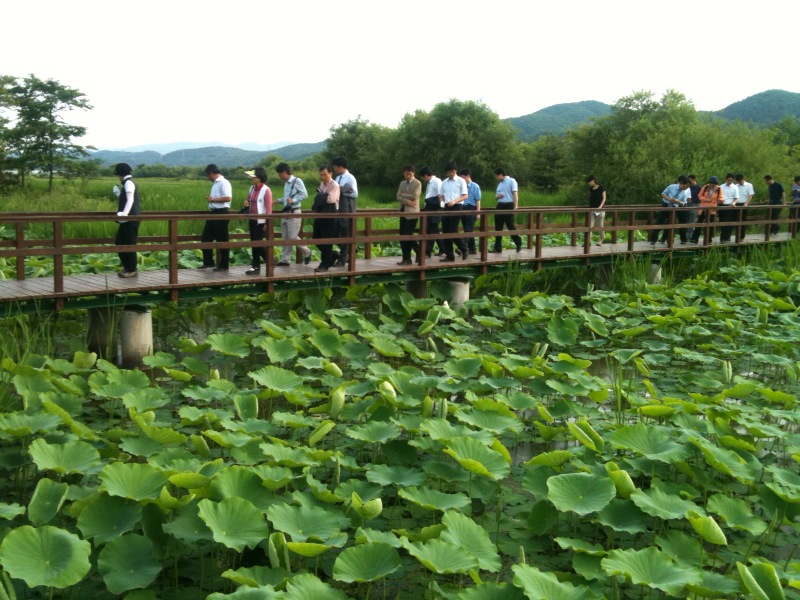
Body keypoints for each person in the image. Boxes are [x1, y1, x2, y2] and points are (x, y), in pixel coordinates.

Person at [274, 162, 311, 266]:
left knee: (292, 236)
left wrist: (294, 200)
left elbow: (305, 194)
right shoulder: (286, 183)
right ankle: (285, 260)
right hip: (285, 212)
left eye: (280, 174)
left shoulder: (297, 181)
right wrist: (278, 200)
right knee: (285, 236)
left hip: (294, 212)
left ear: (285, 172)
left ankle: (307, 251)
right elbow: (287, 199)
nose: (279, 176)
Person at [200, 164, 232, 271]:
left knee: (222, 239)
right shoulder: (216, 183)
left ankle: (224, 265)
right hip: (213, 212)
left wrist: (213, 200)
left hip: (221, 212)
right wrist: (212, 200)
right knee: (206, 237)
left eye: (208, 175)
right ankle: (208, 262)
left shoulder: (224, 182)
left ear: (212, 173)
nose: (208, 178)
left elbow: (228, 198)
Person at [113, 163, 141, 278]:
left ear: (120, 174)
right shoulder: (127, 183)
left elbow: (130, 200)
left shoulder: (129, 183)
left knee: (129, 243)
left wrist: (124, 215)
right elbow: (126, 199)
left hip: (130, 218)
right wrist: (118, 193)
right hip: (128, 218)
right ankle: (127, 267)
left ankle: (132, 269)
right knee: (120, 241)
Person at [242, 167, 272, 275]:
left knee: (257, 243)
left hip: (261, 221)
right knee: (254, 242)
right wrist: (246, 204)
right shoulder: (251, 188)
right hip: (252, 219)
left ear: (259, 177)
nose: (251, 178)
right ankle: (267, 261)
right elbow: (248, 201)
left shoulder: (266, 190)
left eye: (253, 176)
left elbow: (268, 209)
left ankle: (256, 266)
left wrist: (266, 223)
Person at [438, 162, 469, 262]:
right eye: (449, 172)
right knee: (446, 231)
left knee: (453, 230)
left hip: (457, 206)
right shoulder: (444, 182)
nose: (451, 173)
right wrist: (442, 200)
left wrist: (455, 200)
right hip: (446, 207)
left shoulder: (461, 181)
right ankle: (449, 255)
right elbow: (441, 195)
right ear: (447, 172)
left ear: (456, 171)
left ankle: (464, 248)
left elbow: (465, 195)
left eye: (453, 171)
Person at [312, 165, 340, 273]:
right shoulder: (322, 184)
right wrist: (323, 196)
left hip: (330, 215)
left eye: (325, 174)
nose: (323, 177)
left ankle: (324, 264)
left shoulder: (335, 185)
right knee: (316, 238)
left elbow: (331, 199)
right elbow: (323, 197)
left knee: (326, 240)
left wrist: (321, 196)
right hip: (320, 214)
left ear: (330, 174)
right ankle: (332, 255)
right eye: (321, 175)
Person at [332, 157, 358, 266]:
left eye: (335, 167)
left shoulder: (350, 178)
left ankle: (342, 260)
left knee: (344, 233)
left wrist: (343, 191)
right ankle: (349, 249)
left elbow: (355, 194)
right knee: (334, 232)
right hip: (338, 208)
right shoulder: (337, 178)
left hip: (346, 208)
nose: (334, 170)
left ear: (340, 167)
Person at [651, 176, 690, 245]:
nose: (687, 188)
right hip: (666, 205)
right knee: (659, 221)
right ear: (683, 184)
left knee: (671, 223)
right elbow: (663, 194)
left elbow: (684, 203)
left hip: (674, 208)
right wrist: (669, 199)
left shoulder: (684, 193)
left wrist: (679, 202)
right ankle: (653, 239)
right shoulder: (672, 187)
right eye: (686, 186)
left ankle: (666, 239)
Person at [492, 168, 523, 253]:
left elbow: (515, 194)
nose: (496, 178)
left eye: (497, 176)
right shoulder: (500, 184)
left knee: (510, 226)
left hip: (509, 205)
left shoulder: (512, 181)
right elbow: (496, 197)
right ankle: (497, 248)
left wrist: (515, 207)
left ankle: (518, 243)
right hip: (500, 205)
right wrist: (499, 196)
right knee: (498, 227)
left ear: (501, 174)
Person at [396, 164, 421, 265]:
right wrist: (407, 200)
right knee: (402, 236)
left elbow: (415, 196)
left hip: (412, 213)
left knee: (407, 235)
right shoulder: (402, 183)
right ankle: (406, 258)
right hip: (403, 211)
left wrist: (403, 196)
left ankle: (419, 250)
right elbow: (397, 196)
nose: (408, 176)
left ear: (413, 173)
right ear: (404, 174)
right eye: (406, 174)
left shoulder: (417, 183)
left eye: (409, 174)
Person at [418, 166, 443, 257]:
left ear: (425, 175)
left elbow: (442, 195)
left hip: (434, 208)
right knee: (433, 230)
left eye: (422, 177)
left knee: (431, 230)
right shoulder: (430, 183)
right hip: (429, 208)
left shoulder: (437, 181)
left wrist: (441, 208)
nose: (422, 179)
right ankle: (443, 248)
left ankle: (427, 252)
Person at [691, 176, 723, 244]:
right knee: (699, 223)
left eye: (714, 183)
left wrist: (721, 200)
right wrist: (706, 199)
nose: (712, 184)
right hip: (703, 208)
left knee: (710, 225)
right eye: (711, 183)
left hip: (712, 209)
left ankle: (709, 240)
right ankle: (694, 238)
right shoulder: (705, 187)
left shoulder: (719, 189)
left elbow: (721, 197)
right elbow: (699, 196)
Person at [458, 168, 481, 253]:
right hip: (462, 208)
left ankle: (462, 247)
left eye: (463, 177)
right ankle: (473, 249)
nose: (462, 180)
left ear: (467, 176)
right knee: (467, 228)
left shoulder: (475, 186)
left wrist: (478, 213)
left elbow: (478, 200)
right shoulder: (461, 186)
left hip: (471, 208)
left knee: (468, 228)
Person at [717, 173, 740, 243]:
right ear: (726, 179)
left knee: (728, 222)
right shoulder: (721, 187)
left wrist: (733, 203)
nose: (730, 182)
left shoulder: (735, 187)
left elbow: (736, 198)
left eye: (731, 180)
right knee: (722, 221)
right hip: (722, 205)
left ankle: (724, 237)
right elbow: (718, 196)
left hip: (730, 206)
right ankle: (724, 237)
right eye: (728, 180)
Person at [585, 175, 606, 247]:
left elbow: (604, 198)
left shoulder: (601, 187)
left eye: (589, 182)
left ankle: (601, 239)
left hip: (599, 210)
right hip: (592, 209)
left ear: (593, 180)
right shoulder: (591, 188)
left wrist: (600, 207)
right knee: (590, 226)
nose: (589, 183)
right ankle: (588, 242)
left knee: (600, 226)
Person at [735, 174, 754, 238]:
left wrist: (746, 203)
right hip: (737, 204)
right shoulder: (736, 186)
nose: (739, 182)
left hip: (744, 204)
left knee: (742, 220)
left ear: (743, 179)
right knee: (736, 220)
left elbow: (750, 195)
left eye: (740, 180)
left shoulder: (749, 185)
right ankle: (737, 235)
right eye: (738, 181)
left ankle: (742, 236)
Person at [686, 174, 701, 242]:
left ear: (694, 179)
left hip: (695, 204)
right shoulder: (688, 187)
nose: (689, 182)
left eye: (690, 180)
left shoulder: (699, 188)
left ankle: (690, 235)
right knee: (686, 220)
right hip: (687, 204)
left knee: (692, 220)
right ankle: (686, 236)